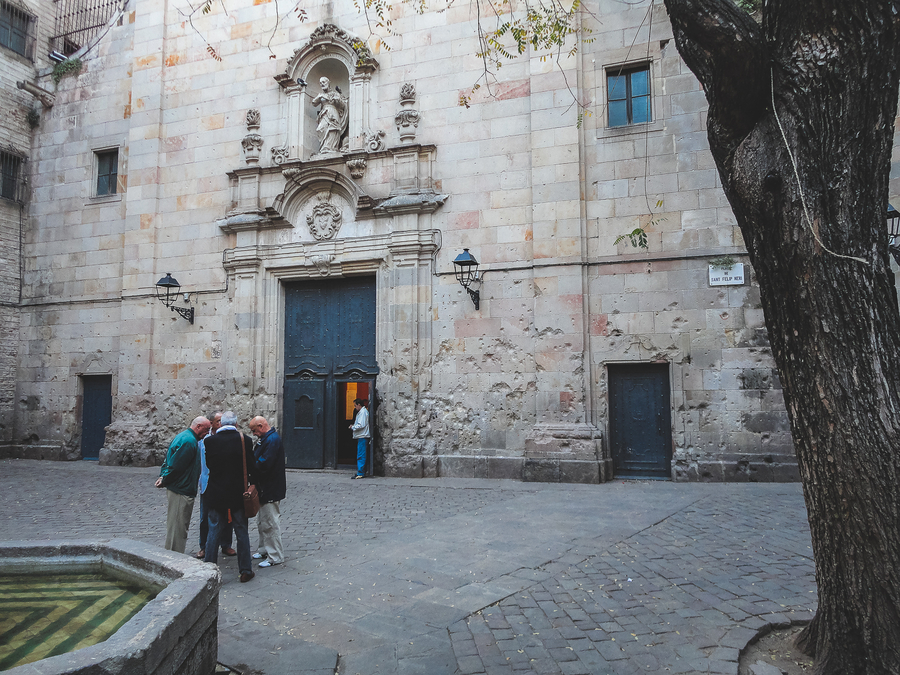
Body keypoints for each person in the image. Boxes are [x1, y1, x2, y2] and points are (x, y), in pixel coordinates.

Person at [203, 411, 256, 583]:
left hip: (216, 493)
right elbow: (251, 466)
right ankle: (245, 570)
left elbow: (210, 464)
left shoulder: (210, 441)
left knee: (214, 530)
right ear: (236, 424)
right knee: (241, 531)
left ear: (220, 424)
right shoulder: (245, 441)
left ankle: (208, 571)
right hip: (238, 493)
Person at [155, 416, 210, 553]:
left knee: (177, 526)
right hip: (181, 490)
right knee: (178, 529)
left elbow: (170, 461)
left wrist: (163, 476)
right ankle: (174, 558)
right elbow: (176, 466)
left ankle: (173, 555)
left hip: (181, 488)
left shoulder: (185, 437)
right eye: (206, 429)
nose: (207, 433)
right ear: (198, 427)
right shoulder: (189, 441)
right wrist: (165, 479)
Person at [195, 411, 235, 559]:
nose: (221, 423)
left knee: (228, 515)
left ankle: (226, 544)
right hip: (207, 483)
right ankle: (204, 546)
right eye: (218, 420)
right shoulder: (203, 440)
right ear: (211, 423)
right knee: (205, 517)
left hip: (225, 483)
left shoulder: (228, 438)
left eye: (222, 420)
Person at [248, 416, 286, 568]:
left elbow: (264, 464)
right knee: (262, 521)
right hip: (266, 488)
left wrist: (251, 466)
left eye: (254, 430)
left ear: (261, 426)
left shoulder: (271, 441)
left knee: (270, 522)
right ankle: (264, 549)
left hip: (270, 488)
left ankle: (275, 556)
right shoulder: (268, 439)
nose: (254, 434)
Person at [310, 76, 347, 154]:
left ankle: (331, 148)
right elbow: (314, 103)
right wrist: (319, 97)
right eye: (320, 83)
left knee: (333, 129)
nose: (322, 84)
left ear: (328, 82)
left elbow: (342, 105)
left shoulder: (335, 94)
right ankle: (324, 147)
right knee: (320, 129)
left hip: (333, 113)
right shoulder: (321, 95)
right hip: (324, 114)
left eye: (323, 82)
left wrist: (337, 100)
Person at [350, 398, 370, 479]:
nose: (355, 407)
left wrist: (353, 427)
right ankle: (361, 471)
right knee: (361, 454)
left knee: (361, 455)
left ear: (359, 405)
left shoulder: (362, 413)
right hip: (361, 436)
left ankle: (361, 472)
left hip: (362, 436)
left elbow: (361, 425)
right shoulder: (362, 412)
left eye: (355, 405)